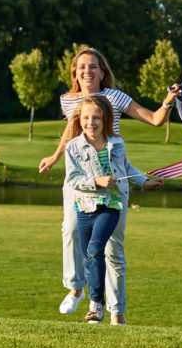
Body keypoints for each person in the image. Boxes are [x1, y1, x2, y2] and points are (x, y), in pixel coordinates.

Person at [39, 46, 181, 324]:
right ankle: (76, 288)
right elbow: (71, 132)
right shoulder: (67, 100)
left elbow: (153, 119)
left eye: (93, 66)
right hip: (81, 179)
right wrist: (55, 157)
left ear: (102, 72)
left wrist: (169, 100)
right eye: (82, 67)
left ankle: (117, 314)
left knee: (113, 249)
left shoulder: (113, 96)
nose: (87, 71)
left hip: (114, 180)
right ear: (74, 72)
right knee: (69, 230)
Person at [64, 95, 163, 323]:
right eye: (86, 117)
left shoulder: (116, 143)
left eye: (97, 117)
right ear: (79, 120)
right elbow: (73, 179)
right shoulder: (73, 147)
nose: (91, 122)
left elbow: (126, 168)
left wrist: (145, 182)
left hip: (112, 204)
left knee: (97, 248)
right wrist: (96, 181)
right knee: (89, 256)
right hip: (85, 206)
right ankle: (96, 304)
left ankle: (96, 306)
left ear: (106, 119)